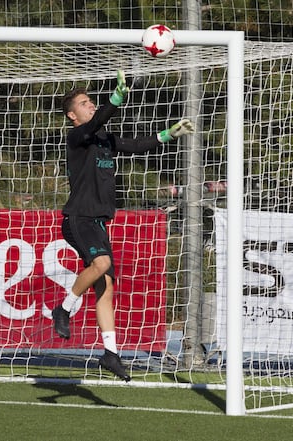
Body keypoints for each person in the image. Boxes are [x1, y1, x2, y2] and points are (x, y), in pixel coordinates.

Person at [52, 70, 194, 382]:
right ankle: (64, 308)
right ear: (71, 115)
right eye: (85, 103)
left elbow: (136, 145)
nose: (91, 106)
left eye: (91, 102)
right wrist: (116, 98)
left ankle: (111, 353)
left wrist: (168, 134)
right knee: (101, 264)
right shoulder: (77, 137)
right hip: (79, 219)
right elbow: (96, 122)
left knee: (106, 287)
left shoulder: (104, 140)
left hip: (98, 222)